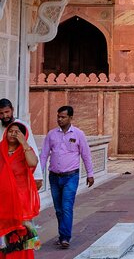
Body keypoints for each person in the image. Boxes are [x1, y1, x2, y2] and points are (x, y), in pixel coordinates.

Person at [39, 106, 94, 250]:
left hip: (71, 176)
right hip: (55, 177)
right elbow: (44, 155)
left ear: (70, 118)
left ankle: (65, 237)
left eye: (63, 117)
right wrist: (38, 175)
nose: (59, 119)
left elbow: (86, 155)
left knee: (67, 206)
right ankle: (62, 234)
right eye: (58, 116)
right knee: (58, 209)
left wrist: (90, 174)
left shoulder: (78, 134)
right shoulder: (51, 135)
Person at [0, 122, 41, 259]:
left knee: (21, 240)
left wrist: (24, 144)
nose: (13, 133)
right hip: (2, 203)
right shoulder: (0, 150)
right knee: (3, 239)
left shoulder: (25, 151)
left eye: (17, 132)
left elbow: (32, 163)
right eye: (11, 131)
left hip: (21, 204)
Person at [0, 99, 42, 189]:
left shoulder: (22, 126)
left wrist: (38, 176)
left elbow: (32, 149)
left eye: (7, 112)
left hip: (19, 176)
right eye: (1, 113)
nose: (5, 116)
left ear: (12, 110)